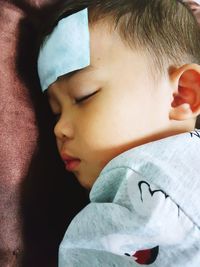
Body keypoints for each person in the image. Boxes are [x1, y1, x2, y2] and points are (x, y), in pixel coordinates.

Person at [37, 0, 200, 266]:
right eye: (55, 112)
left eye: (83, 96)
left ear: (182, 95)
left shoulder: (142, 184)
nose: (59, 128)